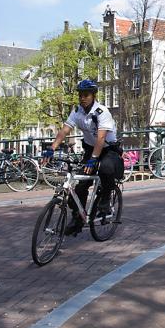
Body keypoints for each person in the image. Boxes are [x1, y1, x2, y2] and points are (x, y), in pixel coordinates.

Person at [42, 79, 122, 236]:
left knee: (105, 169)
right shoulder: (77, 111)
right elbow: (65, 130)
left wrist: (93, 160)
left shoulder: (102, 112)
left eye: (86, 95)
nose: (82, 98)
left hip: (108, 149)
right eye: (80, 95)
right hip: (90, 149)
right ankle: (78, 218)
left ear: (93, 96)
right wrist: (52, 148)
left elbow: (101, 139)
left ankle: (105, 200)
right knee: (79, 186)